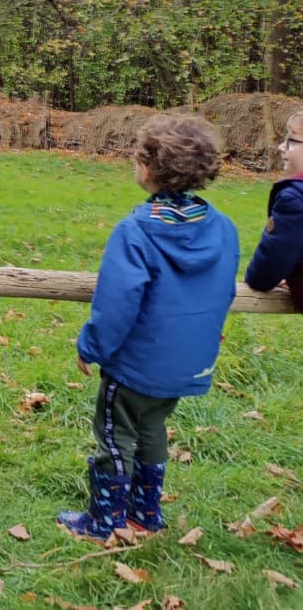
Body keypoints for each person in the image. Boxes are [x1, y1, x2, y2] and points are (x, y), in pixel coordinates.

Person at [58, 115, 239, 541]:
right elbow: (223, 292)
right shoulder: (223, 229)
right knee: (153, 427)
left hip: (136, 364)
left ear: (149, 168)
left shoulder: (136, 231)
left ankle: (104, 522)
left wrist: (91, 346)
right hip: (187, 363)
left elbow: (117, 303)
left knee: (114, 434)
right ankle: (145, 514)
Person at [243, 108, 303, 310]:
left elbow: (272, 260)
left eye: (291, 140)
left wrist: (256, 278)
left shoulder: (295, 199)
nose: (281, 146)